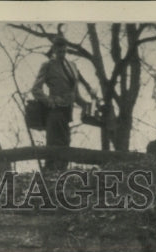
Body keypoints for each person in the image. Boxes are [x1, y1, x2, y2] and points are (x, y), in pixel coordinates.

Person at [31, 36, 91, 172]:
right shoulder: (48, 65)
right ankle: (48, 179)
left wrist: (84, 104)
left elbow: (74, 93)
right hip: (54, 111)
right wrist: (49, 101)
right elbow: (36, 89)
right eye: (59, 52)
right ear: (54, 50)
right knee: (53, 146)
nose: (62, 54)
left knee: (65, 144)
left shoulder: (72, 66)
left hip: (67, 112)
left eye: (64, 51)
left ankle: (61, 176)